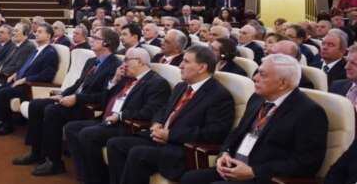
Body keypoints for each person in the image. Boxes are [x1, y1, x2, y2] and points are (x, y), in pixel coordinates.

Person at [180, 54, 328, 184]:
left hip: (266, 177)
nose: (255, 78)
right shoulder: (257, 98)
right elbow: (237, 132)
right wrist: (224, 153)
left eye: (262, 75)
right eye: (257, 72)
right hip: (236, 167)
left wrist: (254, 172)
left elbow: (305, 162)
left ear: (283, 83)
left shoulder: (309, 112)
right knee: (190, 179)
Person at [106, 45, 235, 184]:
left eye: (186, 62)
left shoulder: (219, 95)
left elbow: (214, 133)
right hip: (159, 139)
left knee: (138, 153)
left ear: (202, 67)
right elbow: (162, 109)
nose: (180, 66)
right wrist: (156, 123)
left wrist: (170, 135)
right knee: (115, 144)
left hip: (181, 148)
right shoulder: (181, 86)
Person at [11, 28, 122, 175]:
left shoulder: (114, 65)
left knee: (52, 111)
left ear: (107, 43)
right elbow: (78, 84)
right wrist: (62, 94)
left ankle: (54, 162)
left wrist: (76, 98)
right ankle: (36, 152)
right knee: (36, 104)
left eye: (96, 38)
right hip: (75, 100)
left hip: (88, 107)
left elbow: (103, 96)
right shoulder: (91, 61)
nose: (92, 40)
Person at [64, 47, 171, 184]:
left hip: (125, 125)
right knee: (71, 128)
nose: (123, 64)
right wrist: (114, 81)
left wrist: (121, 115)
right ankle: (84, 175)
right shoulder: (126, 79)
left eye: (127, 60)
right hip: (107, 120)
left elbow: (150, 111)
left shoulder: (156, 83)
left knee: (88, 134)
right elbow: (104, 100)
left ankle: (96, 180)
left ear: (140, 61)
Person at [0, 23, 59, 135]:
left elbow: (46, 75)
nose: (36, 34)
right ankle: (1, 120)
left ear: (48, 36)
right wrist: (16, 74)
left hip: (30, 87)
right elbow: (25, 66)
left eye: (40, 32)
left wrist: (25, 79)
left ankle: (7, 125)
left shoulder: (50, 53)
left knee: (3, 92)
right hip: (20, 82)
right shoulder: (36, 50)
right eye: (36, 31)